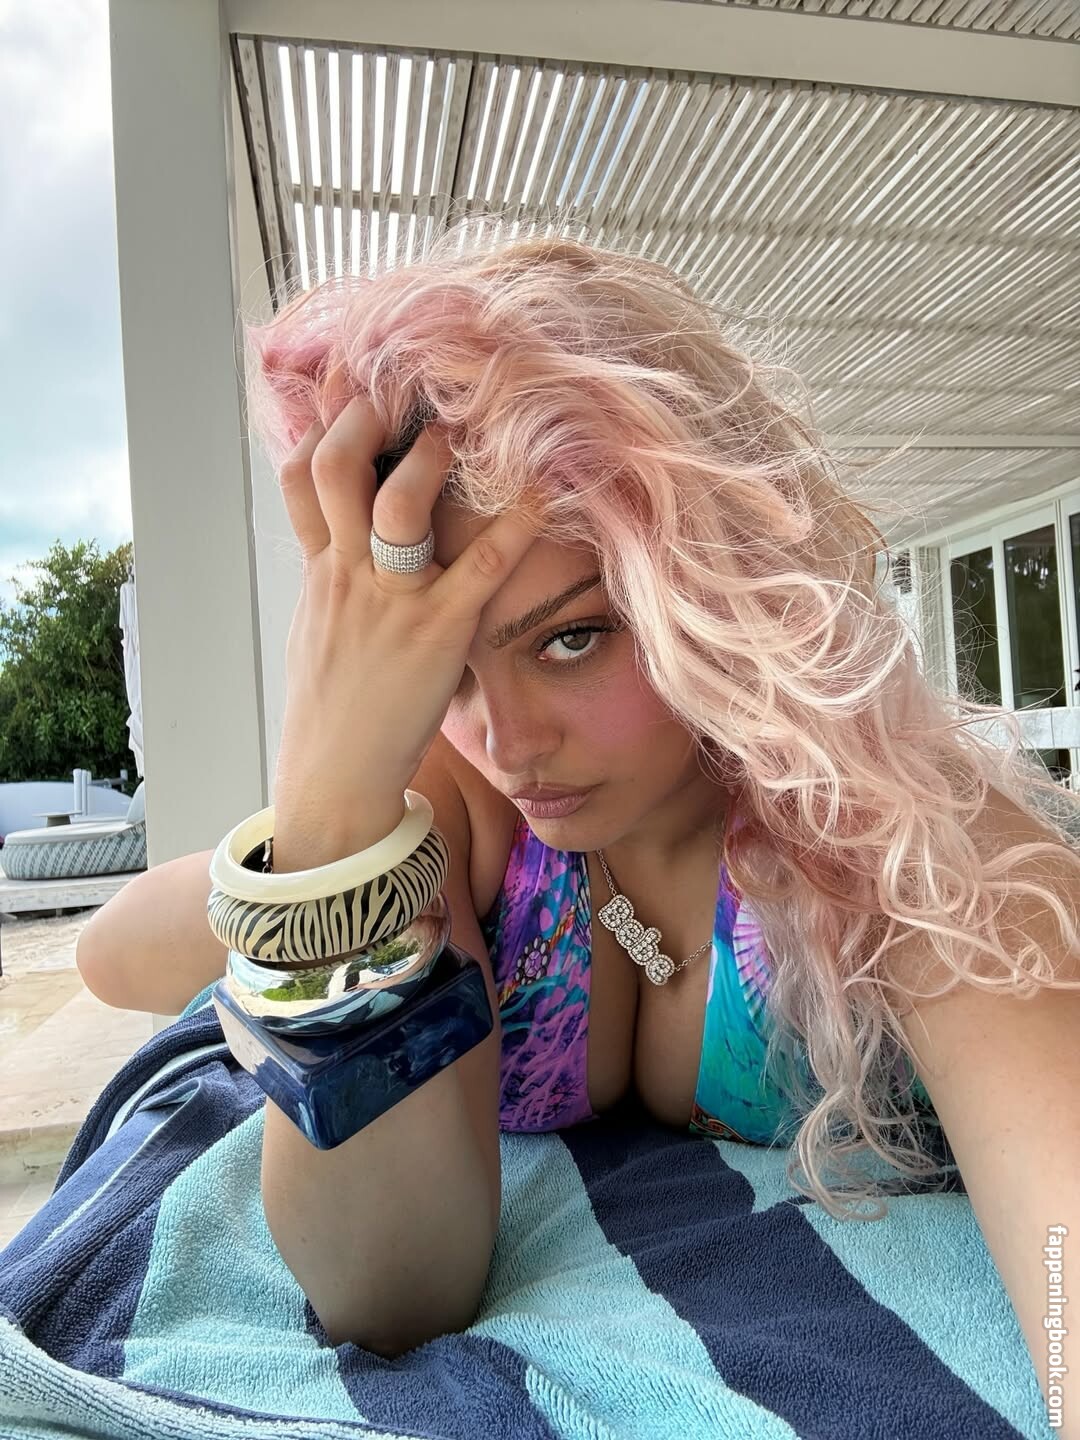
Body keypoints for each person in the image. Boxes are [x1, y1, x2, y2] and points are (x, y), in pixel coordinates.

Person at [77, 221, 1080, 1425]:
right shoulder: (445, 805)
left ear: (708, 587)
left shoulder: (895, 833)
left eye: (571, 637)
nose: (507, 741)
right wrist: (328, 798)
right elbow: (385, 1290)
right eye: (445, 670)